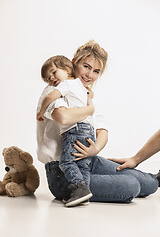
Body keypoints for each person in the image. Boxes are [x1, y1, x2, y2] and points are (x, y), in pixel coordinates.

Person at [37, 40, 158, 207]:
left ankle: (152, 179)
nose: (89, 75)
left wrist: (95, 148)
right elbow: (63, 117)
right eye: (86, 67)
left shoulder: (84, 94)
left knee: (149, 184)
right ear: (73, 63)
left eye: (96, 71)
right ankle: (78, 188)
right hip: (62, 172)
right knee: (131, 186)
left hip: (88, 159)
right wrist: (89, 109)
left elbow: (102, 130)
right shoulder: (56, 88)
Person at [37, 55, 96, 207]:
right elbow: (90, 99)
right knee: (82, 165)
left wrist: (41, 111)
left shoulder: (66, 85)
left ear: (68, 69)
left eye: (54, 72)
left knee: (66, 162)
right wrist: (90, 109)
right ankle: (84, 194)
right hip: (88, 130)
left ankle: (79, 188)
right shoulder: (82, 87)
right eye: (47, 78)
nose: (51, 79)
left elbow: (51, 96)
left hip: (74, 129)